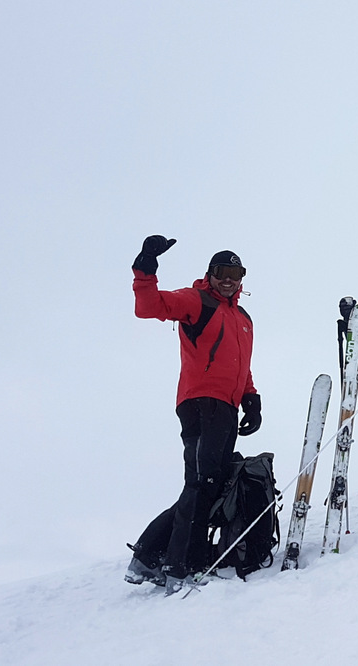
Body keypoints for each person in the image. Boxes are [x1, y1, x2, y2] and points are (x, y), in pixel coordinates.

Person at [124, 236, 261, 592]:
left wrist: (251, 398)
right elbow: (149, 305)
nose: (228, 279)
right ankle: (180, 566)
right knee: (203, 483)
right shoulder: (197, 301)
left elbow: (240, 366)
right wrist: (146, 264)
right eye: (222, 272)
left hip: (227, 407)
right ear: (210, 274)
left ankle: (149, 555)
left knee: (208, 484)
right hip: (201, 403)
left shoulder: (243, 318)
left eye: (235, 272)